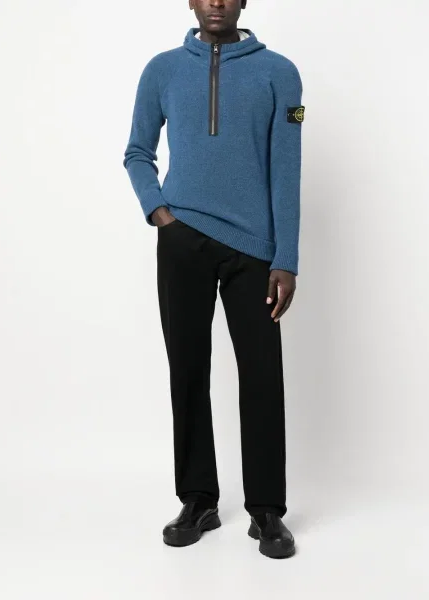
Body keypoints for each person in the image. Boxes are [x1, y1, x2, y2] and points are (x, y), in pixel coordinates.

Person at [123, 0, 304, 559]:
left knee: (262, 374)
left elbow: (286, 167)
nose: (217, 2)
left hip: (254, 251)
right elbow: (137, 152)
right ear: (191, 1)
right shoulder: (162, 69)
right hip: (182, 241)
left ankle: (267, 510)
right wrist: (160, 213)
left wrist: (286, 258)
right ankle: (198, 499)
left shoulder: (278, 72)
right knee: (187, 369)